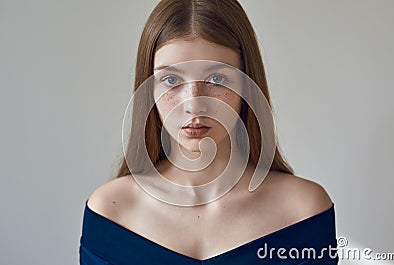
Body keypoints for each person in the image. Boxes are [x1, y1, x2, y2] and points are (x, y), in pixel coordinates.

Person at [79, 0, 338, 264]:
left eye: (217, 79)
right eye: (171, 80)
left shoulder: (303, 211)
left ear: (247, 86)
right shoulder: (110, 212)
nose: (194, 105)